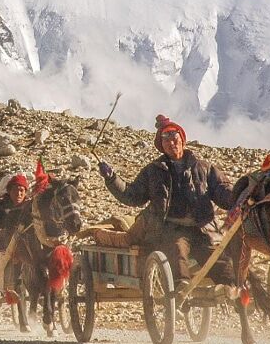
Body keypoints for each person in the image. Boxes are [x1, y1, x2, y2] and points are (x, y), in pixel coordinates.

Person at [97, 114, 237, 297]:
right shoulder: (153, 171)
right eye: (166, 140)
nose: (171, 143)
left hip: (202, 229)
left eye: (174, 138)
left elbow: (222, 192)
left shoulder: (205, 168)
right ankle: (181, 287)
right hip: (170, 228)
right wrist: (112, 178)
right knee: (176, 248)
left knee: (217, 257)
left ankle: (232, 289)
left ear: (182, 140)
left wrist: (239, 196)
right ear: (161, 146)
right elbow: (133, 196)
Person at [0, 173, 32, 331]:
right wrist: (0, 234)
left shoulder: (29, 208)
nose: (19, 194)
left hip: (21, 249)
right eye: (16, 190)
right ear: (9, 191)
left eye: (22, 190)